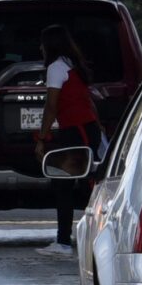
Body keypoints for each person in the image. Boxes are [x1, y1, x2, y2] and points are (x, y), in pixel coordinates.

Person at [35, 24, 105, 251]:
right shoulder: (74, 64)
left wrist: (42, 138)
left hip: (75, 132)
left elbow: (51, 105)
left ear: (50, 45)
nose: (40, 48)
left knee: (62, 185)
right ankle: (97, 236)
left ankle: (63, 240)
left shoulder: (56, 68)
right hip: (88, 130)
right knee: (89, 185)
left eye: (43, 44)